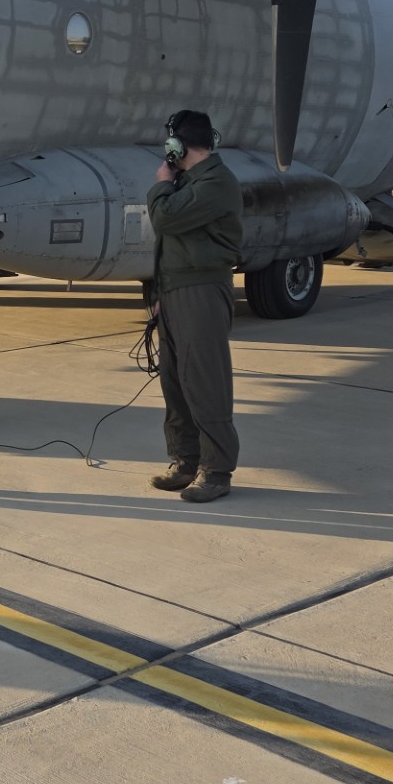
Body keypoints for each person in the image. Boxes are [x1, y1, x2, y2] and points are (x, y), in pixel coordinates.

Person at [146, 110, 245, 504]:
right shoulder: (189, 182)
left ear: (178, 146)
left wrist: (160, 185)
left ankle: (216, 471)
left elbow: (165, 220)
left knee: (205, 383)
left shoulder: (216, 182)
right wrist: (157, 294)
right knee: (176, 382)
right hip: (175, 290)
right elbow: (170, 245)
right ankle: (186, 461)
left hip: (201, 290)